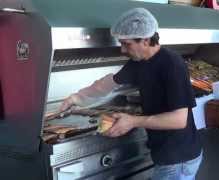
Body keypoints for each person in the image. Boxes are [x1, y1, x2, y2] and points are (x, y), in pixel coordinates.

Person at [59, 8, 202, 180]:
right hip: (165, 155)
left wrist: (132, 121)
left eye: (127, 44)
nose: (123, 50)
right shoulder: (139, 62)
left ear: (146, 40)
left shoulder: (172, 64)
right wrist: (75, 98)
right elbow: (107, 84)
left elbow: (178, 120)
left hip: (179, 159)